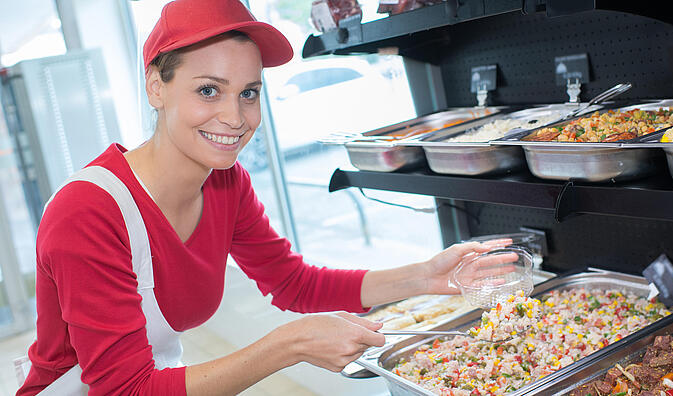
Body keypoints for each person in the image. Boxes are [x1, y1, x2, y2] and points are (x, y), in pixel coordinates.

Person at [16, 0, 510, 395]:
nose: (236, 117)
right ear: (156, 87)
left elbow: (294, 283)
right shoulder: (88, 212)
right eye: (209, 91)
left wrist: (425, 276)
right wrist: (286, 346)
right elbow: (125, 389)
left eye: (248, 92)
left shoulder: (226, 183)